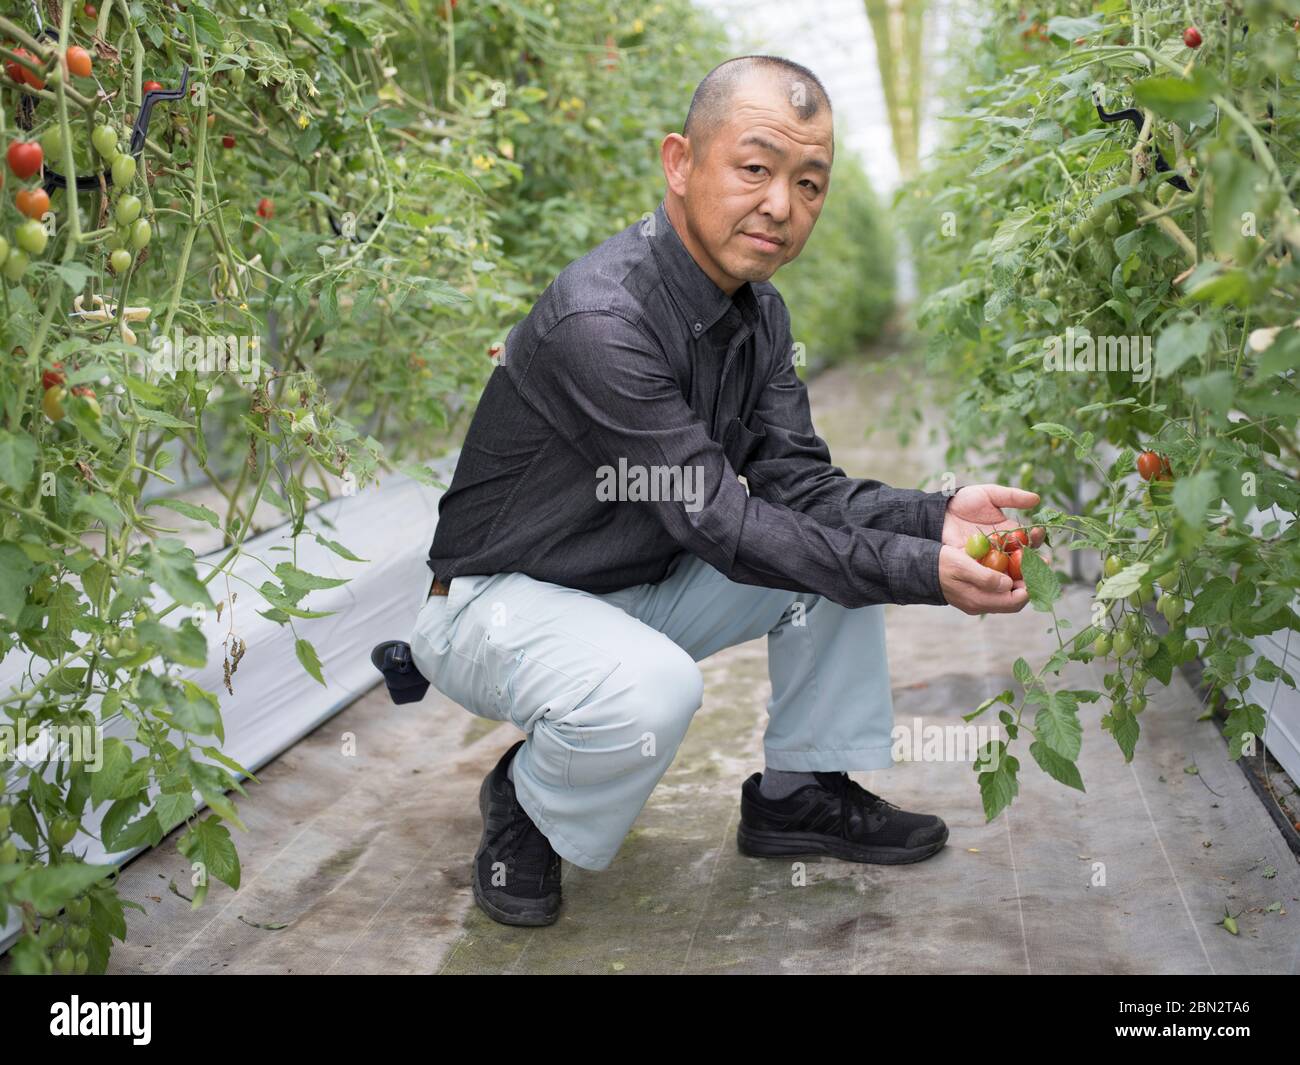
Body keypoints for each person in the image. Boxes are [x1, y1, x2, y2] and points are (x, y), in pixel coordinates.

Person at [411, 55, 1042, 927]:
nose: (782, 206)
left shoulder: (758, 312)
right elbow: (723, 521)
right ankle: (529, 803)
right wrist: (922, 568)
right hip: (499, 603)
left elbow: (801, 488)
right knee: (653, 689)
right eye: (756, 168)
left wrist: (938, 513)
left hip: (632, 583)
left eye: (809, 183)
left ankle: (798, 792)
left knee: (828, 564)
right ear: (680, 162)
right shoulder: (604, 321)